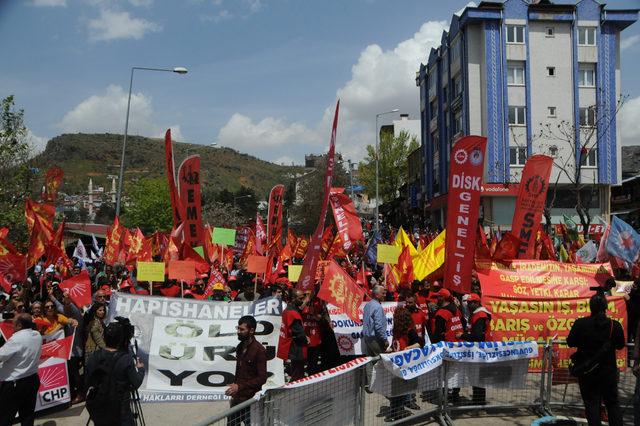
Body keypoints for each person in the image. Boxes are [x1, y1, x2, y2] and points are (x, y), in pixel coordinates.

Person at [567, 293, 625, 426]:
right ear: (606, 307)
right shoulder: (614, 325)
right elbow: (621, 344)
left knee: (592, 404)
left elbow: (570, 342)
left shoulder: (580, 324)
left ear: (590, 307)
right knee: (612, 404)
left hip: (588, 372)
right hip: (608, 372)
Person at [85, 318, 145, 426]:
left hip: (99, 409)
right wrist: (140, 369)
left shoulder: (94, 356)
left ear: (104, 337)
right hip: (120, 411)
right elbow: (135, 383)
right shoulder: (126, 359)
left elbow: (88, 381)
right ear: (121, 339)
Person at [0, 314, 43, 426]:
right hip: (32, 379)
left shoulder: (15, 339)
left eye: (13, 323)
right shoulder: (37, 335)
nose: (12, 325)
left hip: (15, 384)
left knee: (5, 417)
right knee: (28, 416)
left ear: (19, 325)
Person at [225, 315, 267, 426]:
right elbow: (239, 372)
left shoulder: (259, 351)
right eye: (238, 328)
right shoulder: (239, 347)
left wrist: (240, 386)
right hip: (237, 399)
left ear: (251, 330)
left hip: (251, 401)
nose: (238, 331)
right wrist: (235, 388)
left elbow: (262, 378)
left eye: (242, 329)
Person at [456, 293, 492, 405]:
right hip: (479, 349)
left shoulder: (480, 315)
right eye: (468, 303)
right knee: (477, 376)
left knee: (477, 376)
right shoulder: (479, 313)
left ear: (477, 303)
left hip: (480, 349)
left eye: (471, 303)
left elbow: (477, 336)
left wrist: (462, 336)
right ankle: (478, 401)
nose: (469, 305)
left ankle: (479, 402)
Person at [277, 289, 308, 382]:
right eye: (301, 298)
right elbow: (299, 333)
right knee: (298, 375)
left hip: (293, 348)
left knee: (296, 371)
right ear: (293, 299)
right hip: (297, 348)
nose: (302, 300)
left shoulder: (288, 310)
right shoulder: (293, 314)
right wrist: (306, 338)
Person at [362, 285, 389, 356]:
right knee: (381, 360)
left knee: (370, 361)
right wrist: (385, 339)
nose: (385, 295)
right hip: (375, 339)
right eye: (383, 293)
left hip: (368, 338)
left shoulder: (368, 305)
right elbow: (378, 326)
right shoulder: (377, 307)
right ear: (377, 295)